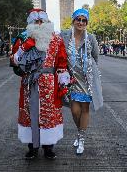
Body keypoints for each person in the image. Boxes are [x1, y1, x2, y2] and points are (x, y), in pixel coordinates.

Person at [11, 9, 69, 160]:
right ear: (30, 24)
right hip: (29, 83)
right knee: (30, 113)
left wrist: (63, 84)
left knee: (48, 114)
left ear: (47, 22)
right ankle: (32, 147)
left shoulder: (56, 39)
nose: (39, 24)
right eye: (35, 22)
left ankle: (49, 147)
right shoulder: (23, 39)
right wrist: (25, 47)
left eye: (41, 21)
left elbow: (62, 62)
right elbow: (14, 61)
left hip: (49, 84)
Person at [60, 8, 103, 155]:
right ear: (73, 20)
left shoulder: (90, 38)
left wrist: (90, 72)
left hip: (86, 81)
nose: (81, 22)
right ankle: (80, 132)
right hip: (71, 80)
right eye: (78, 19)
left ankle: (82, 139)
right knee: (74, 110)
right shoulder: (65, 36)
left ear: (87, 23)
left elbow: (96, 57)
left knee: (84, 109)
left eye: (84, 20)